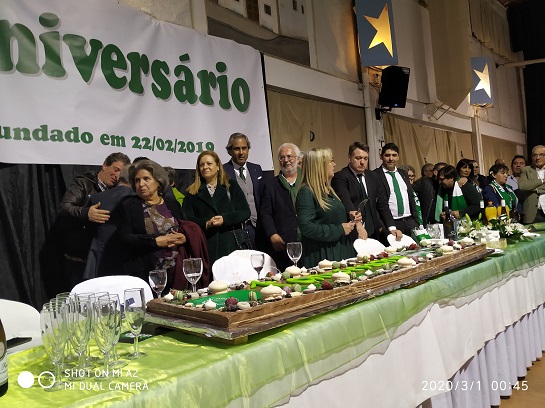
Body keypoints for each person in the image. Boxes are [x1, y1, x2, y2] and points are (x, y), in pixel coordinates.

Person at [118, 160, 210, 291]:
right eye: (137, 180)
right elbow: (124, 238)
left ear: (158, 182)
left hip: (177, 273)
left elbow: (184, 226)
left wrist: (185, 237)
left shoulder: (171, 203)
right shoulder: (129, 205)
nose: (141, 184)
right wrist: (155, 241)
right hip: (149, 274)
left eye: (146, 179)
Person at [59, 152, 131, 288]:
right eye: (115, 169)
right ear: (105, 165)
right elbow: (65, 207)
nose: (117, 176)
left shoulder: (119, 192)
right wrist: (86, 213)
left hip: (103, 258)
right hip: (79, 256)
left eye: (120, 173)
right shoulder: (84, 183)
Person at [183, 151, 251, 266]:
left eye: (209, 163)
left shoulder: (231, 186)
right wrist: (206, 223)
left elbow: (245, 212)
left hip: (230, 244)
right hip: (206, 245)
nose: (205, 167)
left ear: (218, 166)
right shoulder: (192, 192)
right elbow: (186, 219)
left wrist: (224, 219)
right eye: (202, 165)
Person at [296, 147, 355, 267]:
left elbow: (329, 216)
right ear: (319, 165)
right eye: (331, 161)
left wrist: (349, 216)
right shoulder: (306, 192)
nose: (334, 164)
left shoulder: (328, 189)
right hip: (322, 255)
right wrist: (339, 229)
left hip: (339, 249)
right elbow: (306, 227)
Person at [331, 142, 399, 245]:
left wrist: (391, 227)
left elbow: (382, 204)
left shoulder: (373, 176)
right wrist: (358, 224)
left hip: (374, 232)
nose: (362, 162)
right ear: (349, 158)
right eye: (358, 158)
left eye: (365, 158)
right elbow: (346, 202)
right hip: (353, 233)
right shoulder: (340, 177)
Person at [83, 166, 136, 280]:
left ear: (120, 177)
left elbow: (87, 228)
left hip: (98, 260)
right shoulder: (137, 199)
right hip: (128, 261)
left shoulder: (96, 198)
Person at [260, 143, 302, 271]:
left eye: (290, 156)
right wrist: (272, 234)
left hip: (308, 240)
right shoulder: (271, 185)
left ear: (298, 159)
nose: (286, 160)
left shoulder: (307, 180)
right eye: (282, 157)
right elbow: (265, 213)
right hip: (284, 243)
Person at [223, 132, 263, 248]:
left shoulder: (256, 169)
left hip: (258, 227)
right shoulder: (223, 171)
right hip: (237, 229)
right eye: (237, 149)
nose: (241, 152)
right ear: (229, 151)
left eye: (244, 148)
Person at [373, 143, 419, 235]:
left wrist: (416, 220)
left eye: (394, 155)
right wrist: (382, 226)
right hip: (390, 224)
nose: (391, 159)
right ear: (381, 156)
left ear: (398, 157)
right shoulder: (375, 175)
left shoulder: (403, 173)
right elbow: (376, 203)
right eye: (387, 155)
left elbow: (410, 197)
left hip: (410, 221)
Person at [518, 145, 545, 224]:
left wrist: (533, 188)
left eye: (541, 155)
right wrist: (542, 181)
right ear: (532, 157)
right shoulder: (526, 170)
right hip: (533, 214)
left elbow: (528, 186)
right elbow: (522, 186)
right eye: (535, 155)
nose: (538, 157)